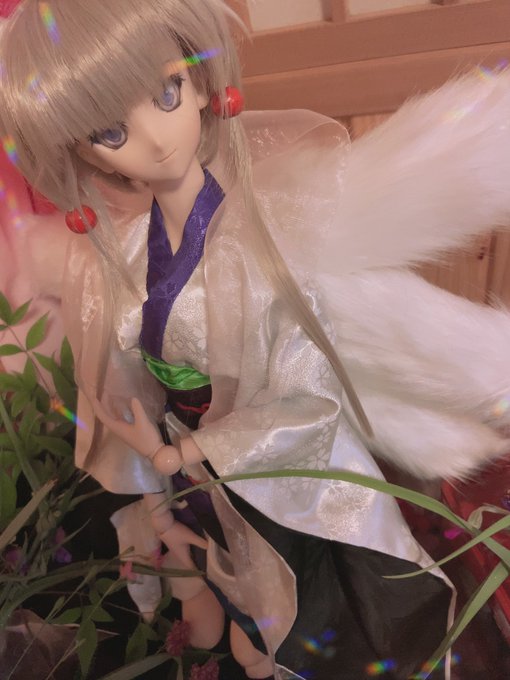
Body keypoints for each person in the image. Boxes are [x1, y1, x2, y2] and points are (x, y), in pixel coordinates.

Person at [2, 1, 510, 677]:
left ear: (201, 83)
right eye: (110, 130)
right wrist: (152, 444)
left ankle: (290, 643)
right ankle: (243, 621)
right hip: (194, 457)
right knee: (222, 549)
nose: (155, 138)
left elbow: (306, 399)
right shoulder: (123, 251)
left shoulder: (265, 245)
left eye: (166, 92)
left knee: (300, 574)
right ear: (82, 150)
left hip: (272, 462)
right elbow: (123, 378)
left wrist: (183, 450)